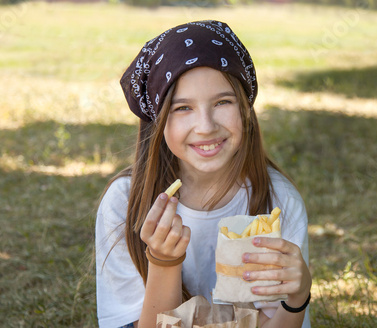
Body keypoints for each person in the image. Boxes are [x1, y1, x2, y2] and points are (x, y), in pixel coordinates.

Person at [95, 20, 311, 328]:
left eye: (222, 102)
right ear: (159, 121)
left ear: (246, 109)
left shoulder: (278, 202)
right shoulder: (124, 204)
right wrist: (163, 262)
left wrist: (297, 299)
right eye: (183, 108)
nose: (206, 126)